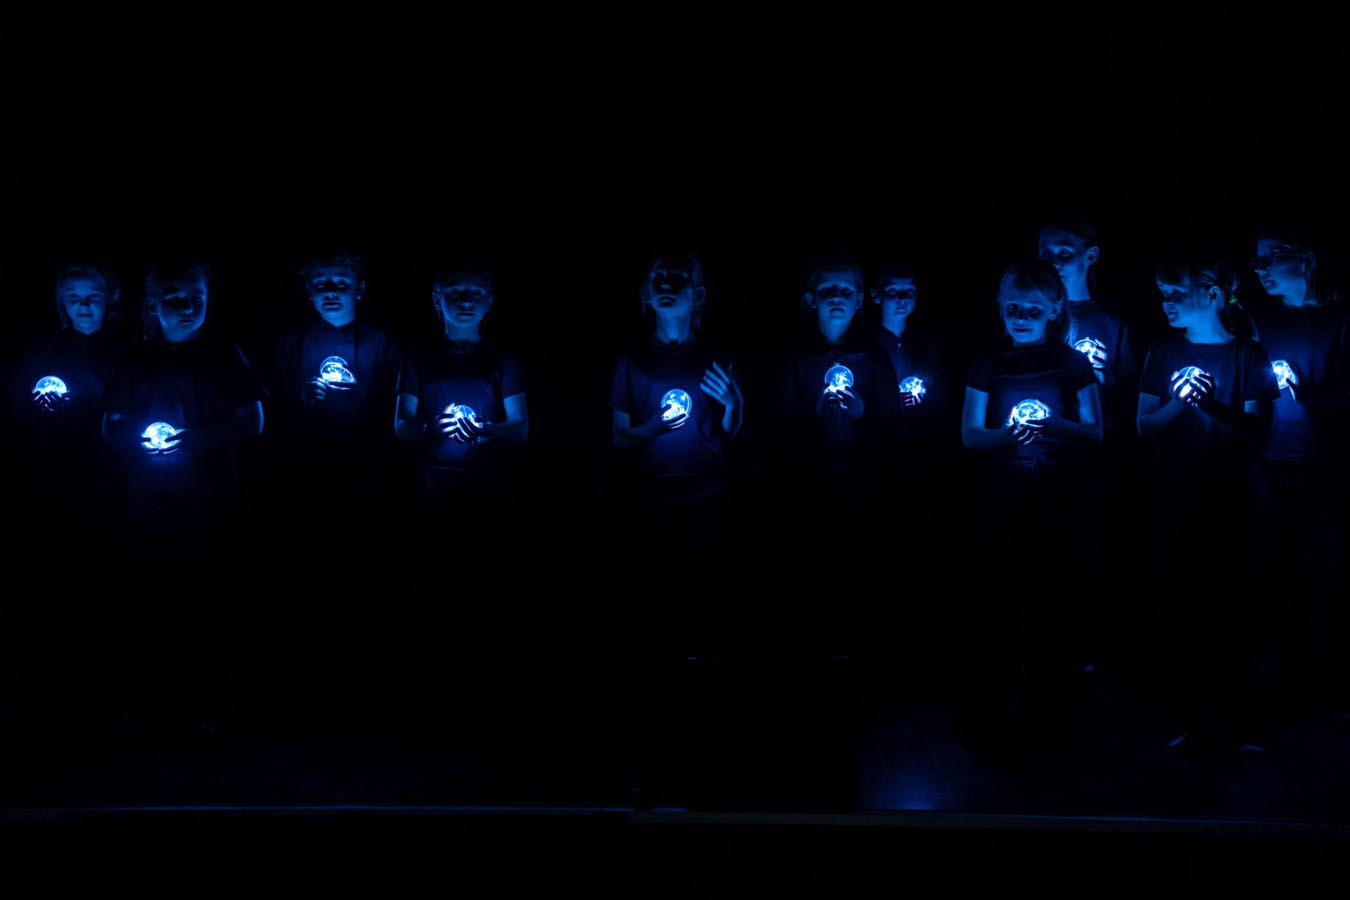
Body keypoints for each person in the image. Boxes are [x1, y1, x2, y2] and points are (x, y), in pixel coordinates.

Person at [957, 260, 1102, 747]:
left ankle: (1046, 712)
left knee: (1053, 605)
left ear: (1054, 310)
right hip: (1001, 502)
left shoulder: (1073, 364)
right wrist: (1007, 435)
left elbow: (1095, 431)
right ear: (1000, 306)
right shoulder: (986, 363)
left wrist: (1057, 426)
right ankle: (983, 714)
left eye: (1032, 309)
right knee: (995, 604)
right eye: (1013, 307)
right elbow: (970, 434)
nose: (1021, 317)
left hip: (1058, 502)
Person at [1137, 257, 1279, 754]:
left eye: (1176, 292)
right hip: (1175, 500)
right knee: (1179, 603)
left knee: (1234, 607)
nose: (1166, 303)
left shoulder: (1248, 354)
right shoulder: (1161, 350)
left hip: (1234, 503)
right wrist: (1183, 402)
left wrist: (1211, 403)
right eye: (1162, 294)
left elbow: (1258, 431)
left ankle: (1238, 722)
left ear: (1213, 294)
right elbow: (1144, 425)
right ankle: (1183, 718)